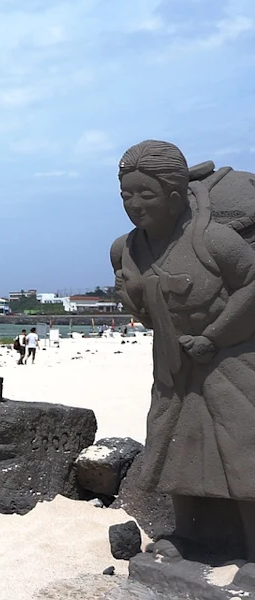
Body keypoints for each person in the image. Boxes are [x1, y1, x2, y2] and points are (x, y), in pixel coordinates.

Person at [111, 140, 255, 567]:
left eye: (146, 195)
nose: (134, 205)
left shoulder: (212, 239)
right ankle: (191, 536)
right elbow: (149, 314)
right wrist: (134, 300)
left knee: (242, 443)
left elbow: (251, 284)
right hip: (174, 363)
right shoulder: (127, 249)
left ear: (175, 197)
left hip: (229, 357)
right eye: (126, 195)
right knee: (174, 444)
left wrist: (214, 336)